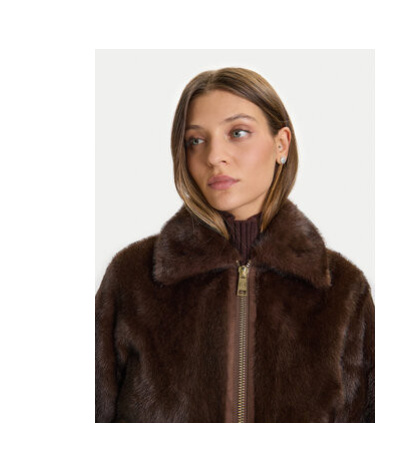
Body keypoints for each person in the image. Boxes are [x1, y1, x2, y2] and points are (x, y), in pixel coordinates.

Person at [95, 67, 375, 423]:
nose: (214, 156)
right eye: (196, 140)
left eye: (238, 133)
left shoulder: (342, 290)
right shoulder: (133, 277)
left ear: (281, 144)